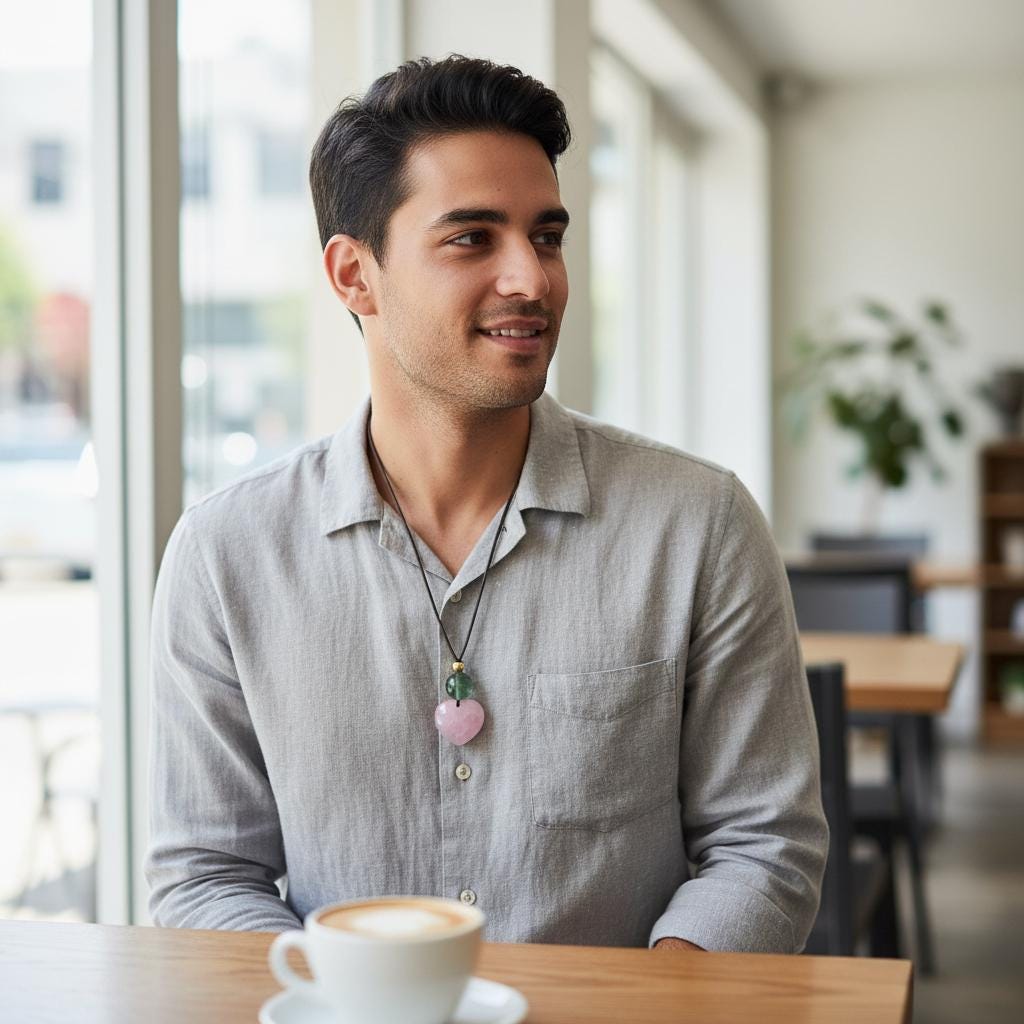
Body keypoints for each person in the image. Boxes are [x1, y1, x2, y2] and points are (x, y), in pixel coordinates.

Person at [146, 55, 828, 952]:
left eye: (547, 236)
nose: (532, 280)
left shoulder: (698, 526)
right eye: (473, 238)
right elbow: (204, 875)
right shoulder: (227, 555)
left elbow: (764, 844)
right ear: (355, 275)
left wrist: (657, 1004)